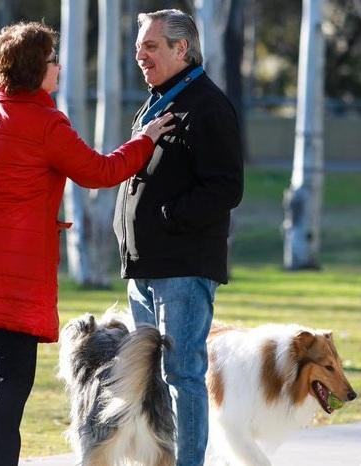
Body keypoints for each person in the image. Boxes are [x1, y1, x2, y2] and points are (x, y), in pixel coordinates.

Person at [0, 22, 174, 466]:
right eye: (52, 61)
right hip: (16, 277)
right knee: (9, 389)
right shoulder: (45, 123)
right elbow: (98, 172)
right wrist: (146, 140)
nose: (58, 67)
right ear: (34, 69)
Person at [113, 9, 244, 466]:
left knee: (183, 374)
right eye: (138, 47)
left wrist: (168, 217)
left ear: (181, 48)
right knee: (147, 379)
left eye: (150, 46)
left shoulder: (206, 104)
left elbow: (227, 186)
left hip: (183, 269)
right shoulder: (159, 99)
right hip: (145, 268)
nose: (140, 56)